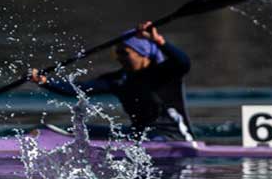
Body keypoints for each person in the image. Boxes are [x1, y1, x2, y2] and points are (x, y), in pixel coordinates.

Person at [28, 21, 194, 141]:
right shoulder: (119, 80)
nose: (119, 58)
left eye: (125, 53)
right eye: (117, 53)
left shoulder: (163, 73)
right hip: (137, 134)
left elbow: (183, 62)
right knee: (79, 130)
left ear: (142, 53)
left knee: (147, 138)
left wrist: (159, 42)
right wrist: (45, 82)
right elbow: (78, 89)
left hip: (171, 137)